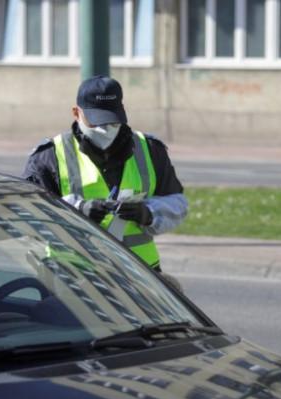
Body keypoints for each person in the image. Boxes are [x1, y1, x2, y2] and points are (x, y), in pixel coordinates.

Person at [23, 75, 187, 271]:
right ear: (76, 113)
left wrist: (149, 213)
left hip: (141, 274)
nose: (105, 129)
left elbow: (178, 205)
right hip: (73, 274)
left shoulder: (150, 149)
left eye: (112, 121)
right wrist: (76, 211)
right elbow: (29, 216)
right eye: (96, 122)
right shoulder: (48, 157)